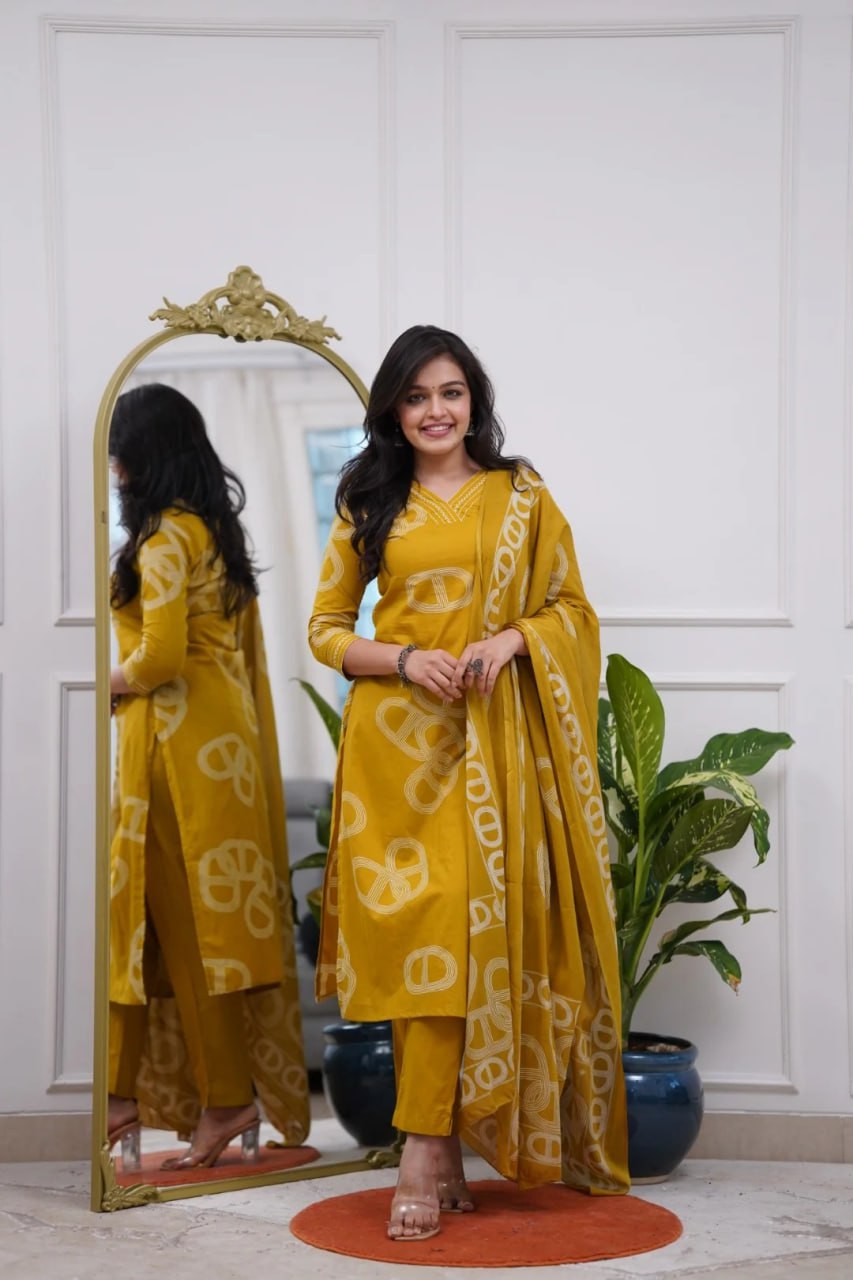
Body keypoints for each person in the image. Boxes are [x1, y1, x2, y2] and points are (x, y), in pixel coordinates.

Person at [308, 326, 629, 1242]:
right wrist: (406, 660)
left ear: (473, 401)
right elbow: (326, 629)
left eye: (450, 392)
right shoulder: (369, 499)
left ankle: (422, 1145)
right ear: (393, 411)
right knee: (417, 939)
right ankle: (435, 1146)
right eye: (415, 397)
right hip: (394, 751)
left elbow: (570, 608)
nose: (435, 411)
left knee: (458, 925)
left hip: (494, 746)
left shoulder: (520, 496)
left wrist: (512, 638)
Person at [107, 382, 309, 1171]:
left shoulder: (162, 537)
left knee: (157, 932)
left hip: (176, 748)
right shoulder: (213, 532)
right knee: (194, 934)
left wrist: (101, 682)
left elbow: (157, 658)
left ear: (140, 456)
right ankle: (161, 1096)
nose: (113, 467)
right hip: (226, 744)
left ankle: (205, 1099)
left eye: (118, 452)